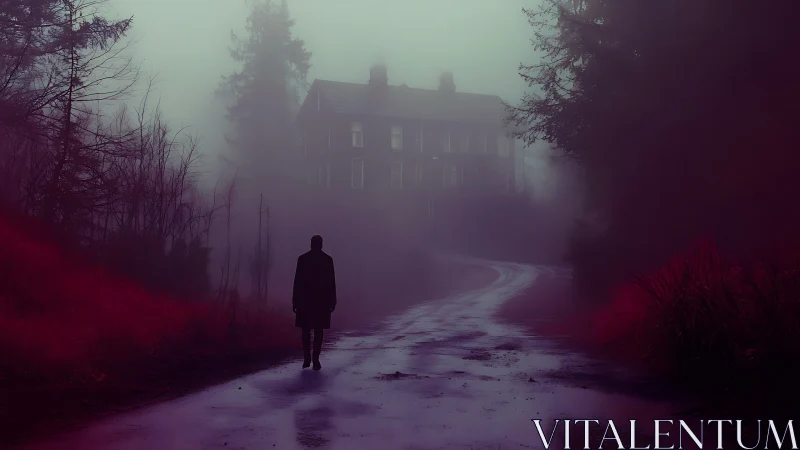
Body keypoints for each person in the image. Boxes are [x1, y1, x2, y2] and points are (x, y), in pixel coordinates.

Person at [292, 235, 337, 370]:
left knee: (306, 330)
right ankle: (315, 359)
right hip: (320, 301)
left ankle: (307, 358)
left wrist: (295, 301)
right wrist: (332, 301)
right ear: (321, 244)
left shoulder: (303, 259)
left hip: (306, 301)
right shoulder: (327, 260)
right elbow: (331, 283)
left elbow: (297, 282)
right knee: (318, 331)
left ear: (311, 244)